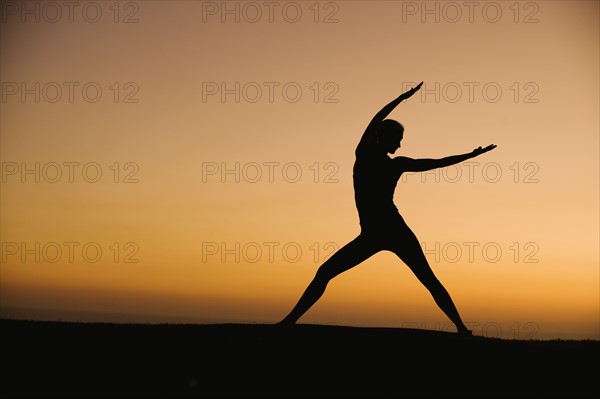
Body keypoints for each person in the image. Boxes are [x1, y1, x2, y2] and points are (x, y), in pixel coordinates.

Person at [277, 82, 497, 335]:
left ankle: (461, 328)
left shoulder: (394, 164)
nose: (400, 146)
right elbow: (377, 119)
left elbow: (435, 163)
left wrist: (469, 156)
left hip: (394, 230)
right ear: (385, 138)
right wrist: (401, 98)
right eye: (398, 140)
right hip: (373, 234)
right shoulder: (366, 154)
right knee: (326, 272)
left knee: (428, 279)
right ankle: (289, 322)